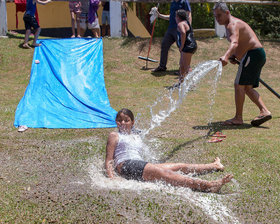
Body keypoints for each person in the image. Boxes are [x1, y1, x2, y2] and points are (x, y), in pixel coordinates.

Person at [105, 108, 233, 193]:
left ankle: (214, 165)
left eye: (126, 120)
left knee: (180, 166)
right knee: (168, 175)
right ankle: (209, 186)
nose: (123, 123)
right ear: (116, 122)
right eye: (120, 120)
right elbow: (109, 160)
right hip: (127, 166)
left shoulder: (137, 136)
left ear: (132, 122)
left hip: (139, 165)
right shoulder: (114, 135)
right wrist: (112, 178)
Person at [213, 2, 272, 126]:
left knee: (239, 85)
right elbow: (242, 42)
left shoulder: (232, 25)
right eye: (215, 16)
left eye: (219, 15)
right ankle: (264, 111)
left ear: (227, 13)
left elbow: (234, 43)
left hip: (253, 54)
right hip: (255, 55)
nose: (217, 19)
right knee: (247, 88)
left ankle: (238, 118)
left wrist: (226, 56)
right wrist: (235, 56)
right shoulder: (230, 24)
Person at [153, 0, 192, 72]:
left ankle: (184, 68)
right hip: (171, 29)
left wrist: (188, 28)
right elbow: (171, 17)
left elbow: (188, 15)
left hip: (180, 29)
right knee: (164, 44)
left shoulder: (184, 2)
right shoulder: (173, 2)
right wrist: (159, 15)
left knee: (182, 48)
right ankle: (162, 66)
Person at [175, 9, 197, 84]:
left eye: (176, 16)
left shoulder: (180, 24)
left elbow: (183, 33)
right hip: (190, 45)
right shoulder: (186, 22)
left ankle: (193, 83)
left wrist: (181, 46)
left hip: (188, 46)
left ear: (178, 17)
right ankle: (181, 82)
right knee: (182, 65)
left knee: (186, 66)